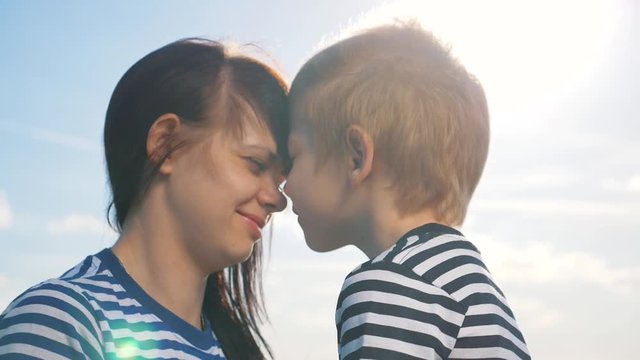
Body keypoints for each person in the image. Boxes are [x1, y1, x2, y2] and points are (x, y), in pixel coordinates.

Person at [0, 38, 289, 359]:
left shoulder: (234, 345)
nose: (277, 199)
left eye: (280, 181)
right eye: (256, 164)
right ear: (167, 144)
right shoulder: (61, 322)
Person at [285, 22, 531, 359]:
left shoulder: (389, 284)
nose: (284, 184)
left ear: (356, 156)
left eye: (294, 156)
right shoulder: (467, 278)